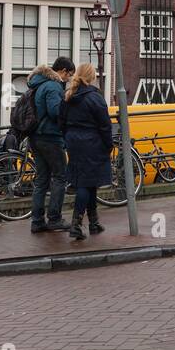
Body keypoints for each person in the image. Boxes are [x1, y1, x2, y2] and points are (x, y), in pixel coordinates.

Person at [59, 63, 112, 241]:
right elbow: (105, 125)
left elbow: (62, 122)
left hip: (74, 142)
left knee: (89, 182)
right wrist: (108, 144)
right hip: (92, 142)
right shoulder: (94, 98)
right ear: (92, 77)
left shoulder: (69, 96)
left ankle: (94, 222)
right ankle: (76, 224)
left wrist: (68, 138)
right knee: (85, 184)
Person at [27, 57, 75, 233]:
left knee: (41, 180)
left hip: (36, 137)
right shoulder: (53, 86)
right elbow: (55, 112)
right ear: (62, 71)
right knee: (60, 177)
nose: (69, 79)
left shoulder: (38, 84)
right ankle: (54, 218)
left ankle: (37, 221)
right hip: (50, 137)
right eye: (69, 75)